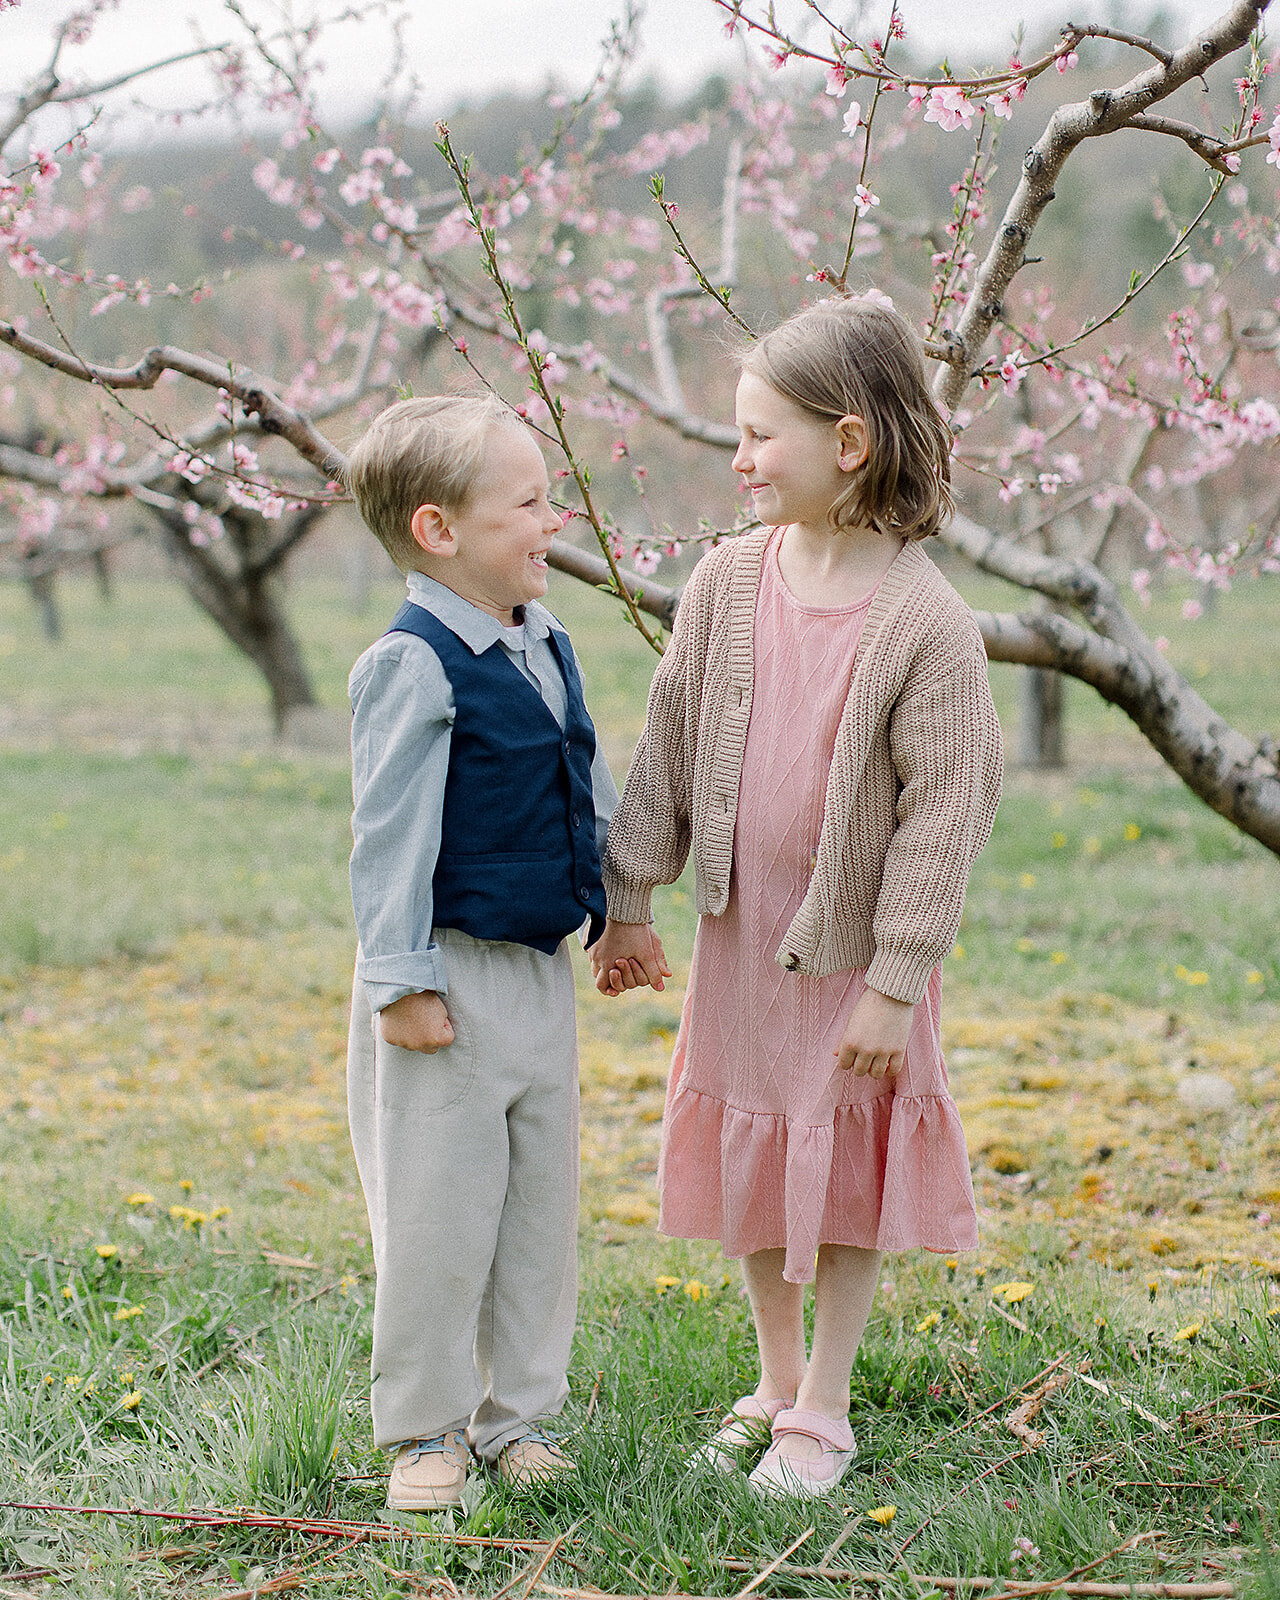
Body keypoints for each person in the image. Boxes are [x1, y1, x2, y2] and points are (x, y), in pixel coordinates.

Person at [590, 296, 1003, 1500]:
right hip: (738, 938)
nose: (738, 458)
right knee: (756, 1158)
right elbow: (667, 746)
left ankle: (823, 1403)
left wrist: (893, 982)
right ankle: (770, 1382)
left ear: (849, 442)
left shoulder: (924, 621)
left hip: (846, 964)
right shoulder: (724, 582)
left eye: (760, 434)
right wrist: (630, 900)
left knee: (838, 1170)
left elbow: (945, 814)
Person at [343, 394, 616, 1510]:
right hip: (444, 977)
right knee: (439, 1214)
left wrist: (620, 910)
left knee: (536, 1214)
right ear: (437, 530)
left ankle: (520, 1417)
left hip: (535, 977)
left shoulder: (545, 642)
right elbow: (389, 836)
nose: (551, 519)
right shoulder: (411, 666)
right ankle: (424, 1429)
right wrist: (397, 980)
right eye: (527, 502)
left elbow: (582, 788)